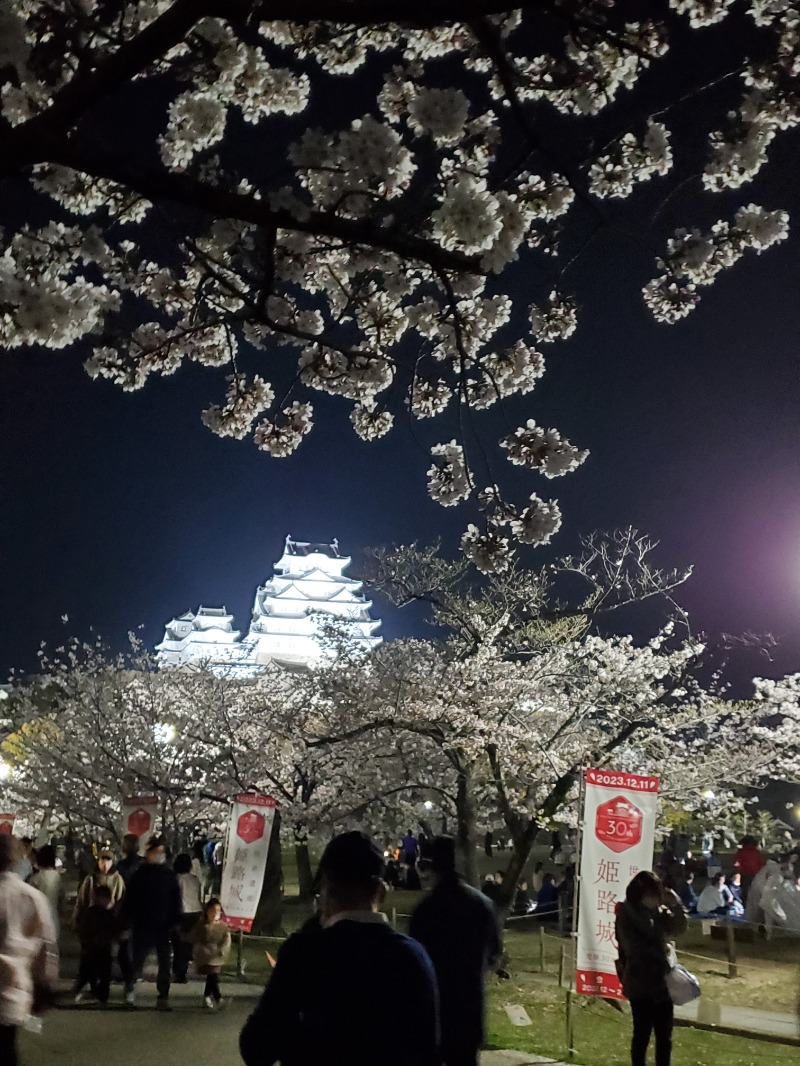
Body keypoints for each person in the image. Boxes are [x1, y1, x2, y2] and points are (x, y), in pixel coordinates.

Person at [240, 830, 439, 1066]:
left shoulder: (305, 953)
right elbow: (429, 1050)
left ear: (326, 892)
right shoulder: (412, 956)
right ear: (381, 891)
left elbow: (257, 1047)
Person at [410, 836, 500, 1066]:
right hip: (470, 1009)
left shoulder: (425, 910)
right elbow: (494, 952)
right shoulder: (482, 905)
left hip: (434, 1013)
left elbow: (413, 962)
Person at [615, 871, 687, 1066]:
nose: (656, 898)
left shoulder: (659, 912)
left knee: (665, 1036)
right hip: (640, 981)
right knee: (642, 1034)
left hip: (663, 982)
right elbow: (633, 948)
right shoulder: (626, 913)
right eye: (652, 893)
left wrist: (676, 904)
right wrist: (660, 947)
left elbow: (679, 928)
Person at [0, 835, 58, 1065]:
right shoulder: (34, 897)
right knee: (6, 1048)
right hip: (15, 988)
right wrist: (45, 984)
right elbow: (47, 949)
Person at [121, 835, 182, 1010]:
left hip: (164, 925)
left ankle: (163, 995)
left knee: (165, 962)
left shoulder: (169, 875)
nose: (159, 855)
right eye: (156, 852)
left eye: (161, 852)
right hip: (142, 924)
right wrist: (126, 920)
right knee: (137, 959)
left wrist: (176, 920)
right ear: (148, 853)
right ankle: (130, 989)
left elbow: (176, 900)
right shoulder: (139, 874)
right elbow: (130, 899)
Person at [74, 883, 117, 1006]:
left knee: (93, 970)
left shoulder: (91, 913)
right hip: (100, 946)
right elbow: (113, 929)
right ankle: (101, 994)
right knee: (101, 972)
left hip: (95, 945)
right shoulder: (107, 914)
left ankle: (95, 991)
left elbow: (83, 928)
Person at [192, 897, 232, 1010]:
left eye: (217, 911)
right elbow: (196, 938)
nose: (215, 913)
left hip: (217, 955)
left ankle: (208, 997)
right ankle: (217, 998)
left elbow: (226, 940)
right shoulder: (202, 925)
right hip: (205, 955)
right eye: (212, 911)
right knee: (212, 973)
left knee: (212, 975)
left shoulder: (223, 927)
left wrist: (222, 950)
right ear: (207, 912)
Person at [74, 848, 125, 926]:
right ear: (98, 862)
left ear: (112, 862)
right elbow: (81, 899)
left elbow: (121, 901)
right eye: (102, 860)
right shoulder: (91, 878)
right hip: (92, 919)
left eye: (108, 860)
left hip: (110, 920)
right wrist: (76, 918)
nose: (105, 864)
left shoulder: (117, 879)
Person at [172, 853, 203, 983]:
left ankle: (179, 972)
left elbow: (176, 898)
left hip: (182, 913)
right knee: (187, 944)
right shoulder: (195, 879)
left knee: (178, 944)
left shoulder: (176, 878)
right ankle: (182, 971)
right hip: (195, 913)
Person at [30, 845, 65, 940]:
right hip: (53, 919)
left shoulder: (35, 879)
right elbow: (61, 898)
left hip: (37, 920)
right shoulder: (57, 877)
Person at [733, 836, 765, 903]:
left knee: (745, 892)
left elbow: (737, 863)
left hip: (744, 875)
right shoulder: (757, 853)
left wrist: (739, 872)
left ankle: (745, 906)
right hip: (755, 875)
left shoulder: (741, 852)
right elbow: (761, 864)